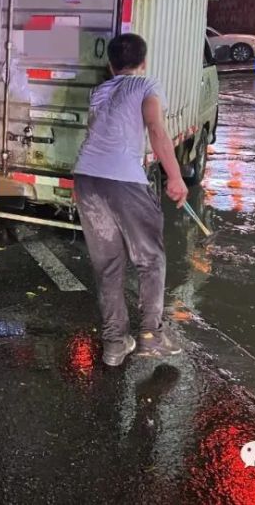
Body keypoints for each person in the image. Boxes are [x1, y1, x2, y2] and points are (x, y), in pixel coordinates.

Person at [74, 33, 187, 367]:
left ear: (111, 65)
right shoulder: (146, 85)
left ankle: (114, 343)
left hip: (87, 179)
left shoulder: (100, 92)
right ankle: (151, 336)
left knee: (108, 264)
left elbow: (93, 135)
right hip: (123, 180)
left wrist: (81, 184)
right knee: (150, 259)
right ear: (144, 61)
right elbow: (156, 129)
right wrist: (176, 177)